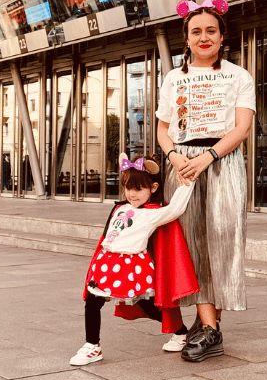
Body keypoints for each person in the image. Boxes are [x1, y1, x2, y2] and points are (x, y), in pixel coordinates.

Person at [156, 0, 256, 363]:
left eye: (210, 30)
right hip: (182, 164)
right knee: (188, 244)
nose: (203, 36)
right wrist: (175, 156)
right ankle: (209, 327)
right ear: (186, 38)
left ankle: (209, 324)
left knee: (223, 240)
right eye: (195, 31)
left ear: (221, 36)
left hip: (222, 163)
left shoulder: (238, 76)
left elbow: (242, 127)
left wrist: (208, 156)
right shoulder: (174, 78)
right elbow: (163, 128)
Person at [70, 153, 198, 366]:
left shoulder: (152, 214)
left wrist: (188, 180)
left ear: (153, 188)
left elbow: (176, 208)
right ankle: (92, 346)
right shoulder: (120, 208)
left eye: (138, 189)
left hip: (133, 267)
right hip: (106, 263)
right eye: (128, 188)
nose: (132, 194)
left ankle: (181, 333)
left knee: (147, 305)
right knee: (92, 302)